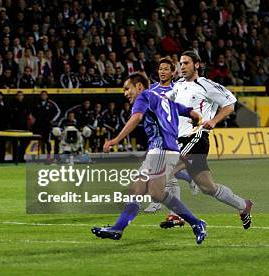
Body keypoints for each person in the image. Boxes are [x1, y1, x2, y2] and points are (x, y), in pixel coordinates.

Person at [94, 73, 207, 245]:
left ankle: (196, 222)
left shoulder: (144, 95)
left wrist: (115, 140)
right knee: (142, 190)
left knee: (151, 192)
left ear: (139, 86)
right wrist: (196, 121)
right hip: (167, 150)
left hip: (160, 150)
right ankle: (118, 228)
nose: (126, 93)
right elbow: (193, 113)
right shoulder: (166, 101)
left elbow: (137, 117)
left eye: (127, 88)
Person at [163, 51, 253, 229]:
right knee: (208, 188)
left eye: (186, 63)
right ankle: (243, 205)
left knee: (166, 170)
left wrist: (213, 120)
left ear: (196, 64)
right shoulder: (177, 85)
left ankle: (176, 215)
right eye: (181, 63)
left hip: (196, 138)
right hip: (179, 139)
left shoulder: (206, 85)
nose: (182, 66)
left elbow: (229, 105)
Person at [143, 58, 200, 218]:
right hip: (156, 137)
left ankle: (165, 207)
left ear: (173, 72)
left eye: (166, 69)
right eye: (160, 69)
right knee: (159, 171)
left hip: (173, 136)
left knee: (167, 174)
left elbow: (184, 110)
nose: (162, 72)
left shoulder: (178, 90)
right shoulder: (152, 89)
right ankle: (189, 179)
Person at [32, 91, 60, 160]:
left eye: (44, 95)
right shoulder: (36, 103)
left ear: (47, 96)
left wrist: (53, 120)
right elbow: (32, 113)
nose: (43, 96)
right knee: (38, 139)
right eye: (42, 95)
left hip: (47, 125)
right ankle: (38, 154)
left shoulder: (51, 103)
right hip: (38, 124)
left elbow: (58, 111)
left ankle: (49, 155)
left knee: (48, 140)